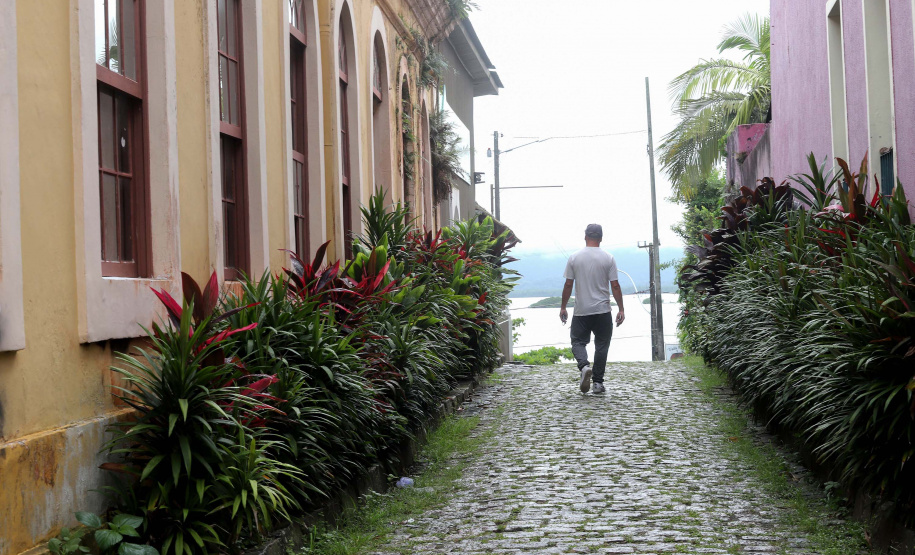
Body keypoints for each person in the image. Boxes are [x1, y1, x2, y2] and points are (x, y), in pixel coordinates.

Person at [559, 224, 625, 394]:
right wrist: (621, 309)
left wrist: (563, 307)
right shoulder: (608, 258)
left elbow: (568, 284)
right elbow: (615, 285)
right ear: (601, 238)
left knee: (577, 342)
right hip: (603, 311)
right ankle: (597, 383)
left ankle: (584, 366)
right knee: (602, 345)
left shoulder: (574, 257)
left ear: (585, 236)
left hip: (581, 311)